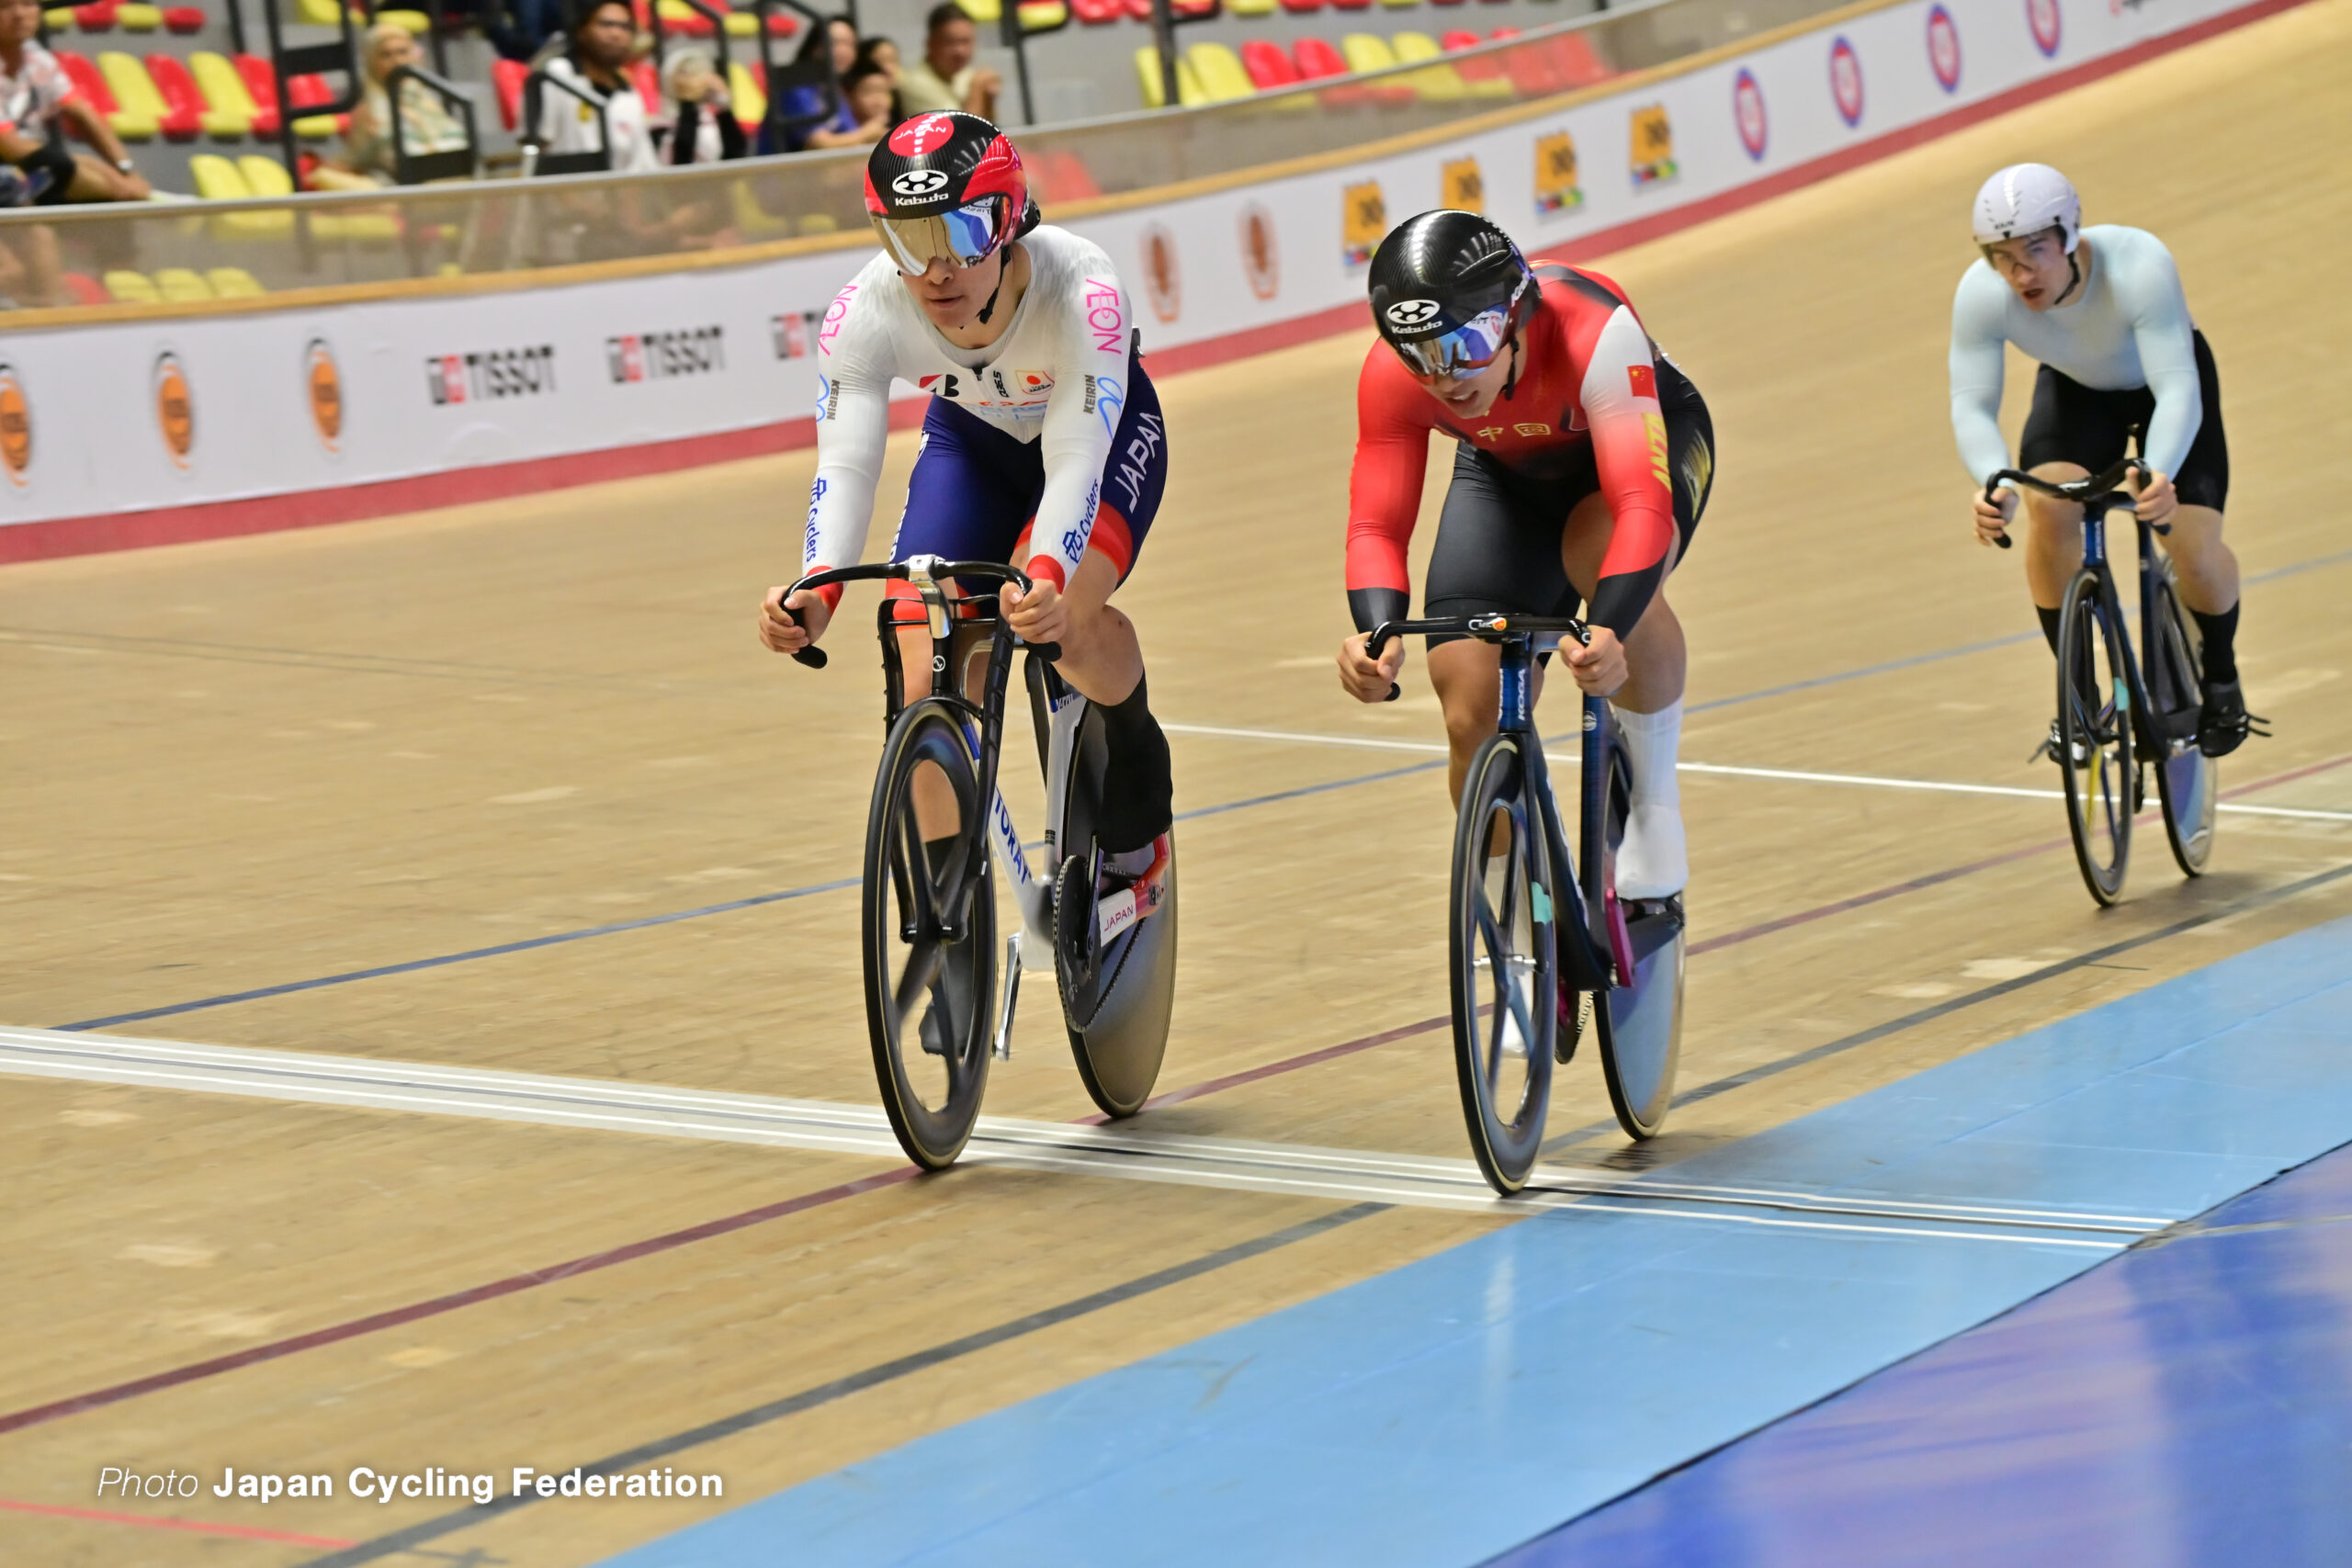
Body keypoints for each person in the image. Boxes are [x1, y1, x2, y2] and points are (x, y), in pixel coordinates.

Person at [757, 110, 1173, 914]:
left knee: (1063, 621)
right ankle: (952, 917)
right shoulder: (866, 309)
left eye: (961, 232)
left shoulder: (1082, 288)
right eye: (909, 240)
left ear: (1011, 221)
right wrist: (816, 589)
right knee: (921, 649)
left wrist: (1048, 574)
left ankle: (1137, 825)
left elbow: (1076, 460)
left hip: (1096, 440)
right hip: (972, 442)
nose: (937, 269)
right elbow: (845, 465)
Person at [1335, 209, 1713, 904]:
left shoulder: (1593, 331)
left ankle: (1655, 803)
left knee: (1597, 553)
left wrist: (1611, 624)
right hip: (1506, 475)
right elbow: (1377, 527)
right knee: (1469, 706)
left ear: (1516, 316)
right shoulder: (1392, 378)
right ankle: (1518, 933)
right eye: (1420, 355)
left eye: (1467, 344)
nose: (1445, 377)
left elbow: (1640, 505)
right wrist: (1375, 630)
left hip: (1630, 462)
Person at [1951, 163, 2259, 758]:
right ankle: (2078, 697)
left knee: (2190, 544)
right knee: (2049, 507)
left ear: (2070, 236)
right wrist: (1992, 482)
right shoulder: (1981, 293)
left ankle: (2221, 677)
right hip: (2078, 394)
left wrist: (2160, 469)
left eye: (2035, 251)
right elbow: (1971, 405)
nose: (2020, 274)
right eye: (2002, 257)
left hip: (2164, 385)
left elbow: (2177, 389)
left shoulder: (2139, 264)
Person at [0, 0, 149, 207]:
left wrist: (125, 170)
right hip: (10, 167)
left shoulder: (36, 57)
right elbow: (10, 146)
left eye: (28, 4)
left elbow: (82, 114)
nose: (19, 15)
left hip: (33, 165)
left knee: (110, 194)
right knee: (35, 180)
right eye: (4, 7)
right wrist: (112, 182)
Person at [313, 22, 470, 190]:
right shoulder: (367, 111)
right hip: (400, 186)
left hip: (455, 179)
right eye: (386, 55)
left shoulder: (429, 101)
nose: (397, 61)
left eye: (403, 52)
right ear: (372, 62)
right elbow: (355, 161)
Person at [533, 0, 657, 174]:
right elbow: (538, 149)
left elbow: (643, 166)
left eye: (625, 27)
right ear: (582, 30)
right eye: (606, 24)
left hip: (620, 196)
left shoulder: (630, 95)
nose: (616, 34)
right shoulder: (557, 75)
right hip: (564, 191)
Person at [897, 4, 999, 119]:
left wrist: (989, 102)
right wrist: (977, 88)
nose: (960, 51)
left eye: (966, 41)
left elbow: (990, 129)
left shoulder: (966, 73)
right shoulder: (912, 82)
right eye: (950, 42)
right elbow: (959, 131)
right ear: (930, 44)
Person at [778, 16, 865, 151]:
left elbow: (851, 135)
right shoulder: (794, 86)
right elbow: (819, 144)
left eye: (850, 44)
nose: (843, 51)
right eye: (834, 43)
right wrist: (869, 132)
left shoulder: (833, 89)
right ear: (814, 47)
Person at [662, 48, 744, 165]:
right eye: (684, 73)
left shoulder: (714, 118)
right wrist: (688, 103)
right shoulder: (665, 123)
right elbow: (682, 155)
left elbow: (737, 152)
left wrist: (724, 106)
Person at [839, 60, 899, 136]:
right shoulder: (838, 127)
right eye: (869, 92)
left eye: (884, 91)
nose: (878, 100)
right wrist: (867, 133)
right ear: (849, 96)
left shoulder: (900, 129)